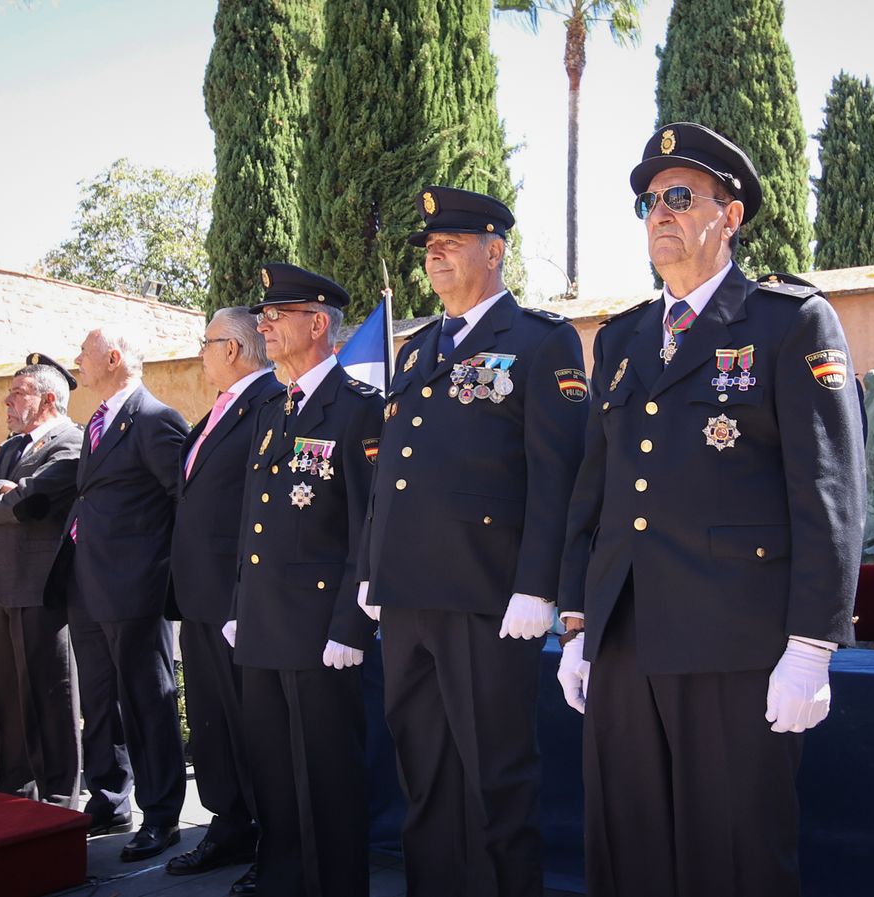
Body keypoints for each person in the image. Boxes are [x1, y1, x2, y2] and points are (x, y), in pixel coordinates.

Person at [556, 122, 866, 897]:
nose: (659, 211)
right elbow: (593, 488)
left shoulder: (787, 321)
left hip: (735, 639)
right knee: (627, 846)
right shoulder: (624, 337)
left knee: (733, 853)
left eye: (680, 195)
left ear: (730, 215)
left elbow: (829, 491)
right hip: (625, 633)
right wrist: (575, 620)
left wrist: (812, 644)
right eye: (649, 201)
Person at [356, 186, 589, 897]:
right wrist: (374, 565)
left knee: (497, 782)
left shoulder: (540, 340)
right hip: (407, 599)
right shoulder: (421, 347)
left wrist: (540, 583)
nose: (434, 255)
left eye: (450, 243)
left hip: (489, 599)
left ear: (494, 250)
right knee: (424, 779)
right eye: (428, 246)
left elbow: (561, 476)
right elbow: (395, 469)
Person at [227, 264, 383, 897]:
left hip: (322, 633)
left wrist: (351, 625)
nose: (264, 323)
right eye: (262, 314)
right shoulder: (271, 405)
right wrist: (241, 601)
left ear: (318, 324)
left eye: (277, 314)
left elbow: (368, 527)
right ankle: (282, 881)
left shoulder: (357, 409)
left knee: (327, 777)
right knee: (272, 770)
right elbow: (252, 518)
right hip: (264, 622)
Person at [55, 326, 188, 860]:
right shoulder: (97, 420)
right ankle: (110, 798)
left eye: (83, 354)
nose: (76, 362)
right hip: (88, 585)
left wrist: (162, 575)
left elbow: (185, 502)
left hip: (136, 589)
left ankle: (162, 816)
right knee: (100, 700)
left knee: (147, 702)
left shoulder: (155, 420)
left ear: (112, 358)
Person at [164, 308, 282, 891]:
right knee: (212, 722)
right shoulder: (219, 408)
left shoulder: (270, 402)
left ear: (232, 349)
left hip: (240, 599)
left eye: (206, 342)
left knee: (252, 724)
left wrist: (244, 595)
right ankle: (229, 822)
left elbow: (262, 508)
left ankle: (272, 838)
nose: (201, 353)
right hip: (200, 597)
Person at [0, 353, 83, 807]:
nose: (6, 400)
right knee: (4, 696)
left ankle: (58, 796)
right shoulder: (11, 448)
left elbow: (31, 503)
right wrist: (0, 492)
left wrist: (8, 495)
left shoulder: (71, 442)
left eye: (17, 392)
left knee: (49, 693)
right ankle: (12, 789)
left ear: (48, 398)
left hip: (40, 585)